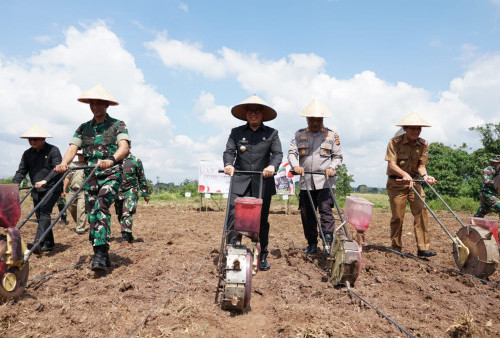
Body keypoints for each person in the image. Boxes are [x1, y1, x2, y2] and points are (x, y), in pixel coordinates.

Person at [55, 84, 130, 271]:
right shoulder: (83, 128)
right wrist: (64, 163)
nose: (95, 107)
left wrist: (111, 159)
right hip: (91, 178)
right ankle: (101, 251)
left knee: (101, 207)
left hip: (111, 175)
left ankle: (99, 254)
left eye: (98, 104)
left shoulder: (117, 125)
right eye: (92, 104)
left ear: (106, 105)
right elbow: (73, 148)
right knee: (92, 215)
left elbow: (124, 146)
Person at [223, 95, 283, 271]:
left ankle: (262, 254)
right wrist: (228, 164)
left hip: (262, 181)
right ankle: (231, 252)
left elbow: (277, 154)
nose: (254, 114)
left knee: (261, 220)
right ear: (246, 114)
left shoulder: (272, 133)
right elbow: (229, 151)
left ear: (262, 114)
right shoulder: (236, 132)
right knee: (233, 215)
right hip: (240, 180)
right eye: (250, 111)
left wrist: (272, 166)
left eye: (257, 111)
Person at [288, 99, 343, 254]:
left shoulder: (331, 136)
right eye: (312, 119)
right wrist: (296, 166)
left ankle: (327, 241)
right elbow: (292, 153)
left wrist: (332, 167)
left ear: (322, 120)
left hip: (325, 181)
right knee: (307, 213)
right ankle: (311, 243)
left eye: (318, 119)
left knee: (326, 210)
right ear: (307, 119)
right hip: (306, 181)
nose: (315, 122)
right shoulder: (299, 135)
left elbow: (338, 156)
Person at [385, 112, 437, 257]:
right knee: (398, 217)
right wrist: (404, 174)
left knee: (421, 212)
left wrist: (426, 176)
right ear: (405, 128)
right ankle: (396, 247)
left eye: (418, 129)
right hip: (396, 183)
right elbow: (391, 165)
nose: (416, 131)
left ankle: (423, 248)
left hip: (415, 183)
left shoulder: (423, 144)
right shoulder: (394, 142)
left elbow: (421, 166)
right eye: (413, 128)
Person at [12, 125, 63, 253]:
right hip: (37, 188)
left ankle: (37, 242)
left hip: (53, 187)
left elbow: (57, 169)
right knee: (40, 215)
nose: (32, 142)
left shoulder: (53, 150)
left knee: (45, 211)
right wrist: (13, 186)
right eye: (30, 140)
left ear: (43, 139)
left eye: (35, 139)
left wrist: (45, 180)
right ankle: (49, 244)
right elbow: (21, 171)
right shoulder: (27, 154)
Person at [114, 148, 150, 243]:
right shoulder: (115, 160)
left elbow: (141, 177)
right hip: (118, 192)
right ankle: (129, 234)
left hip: (131, 191)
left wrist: (145, 193)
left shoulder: (136, 161)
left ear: (129, 148)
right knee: (120, 214)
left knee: (127, 212)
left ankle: (125, 235)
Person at [62, 149, 88, 234]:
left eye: (83, 155)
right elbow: (67, 177)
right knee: (71, 207)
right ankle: (79, 223)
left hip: (83, 191)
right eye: (79, 155)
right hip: (72, 190)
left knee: (81, 209)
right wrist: (64, 189)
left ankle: (80, 228)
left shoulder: (88, 165)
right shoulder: (73, 165)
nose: (81, 157)